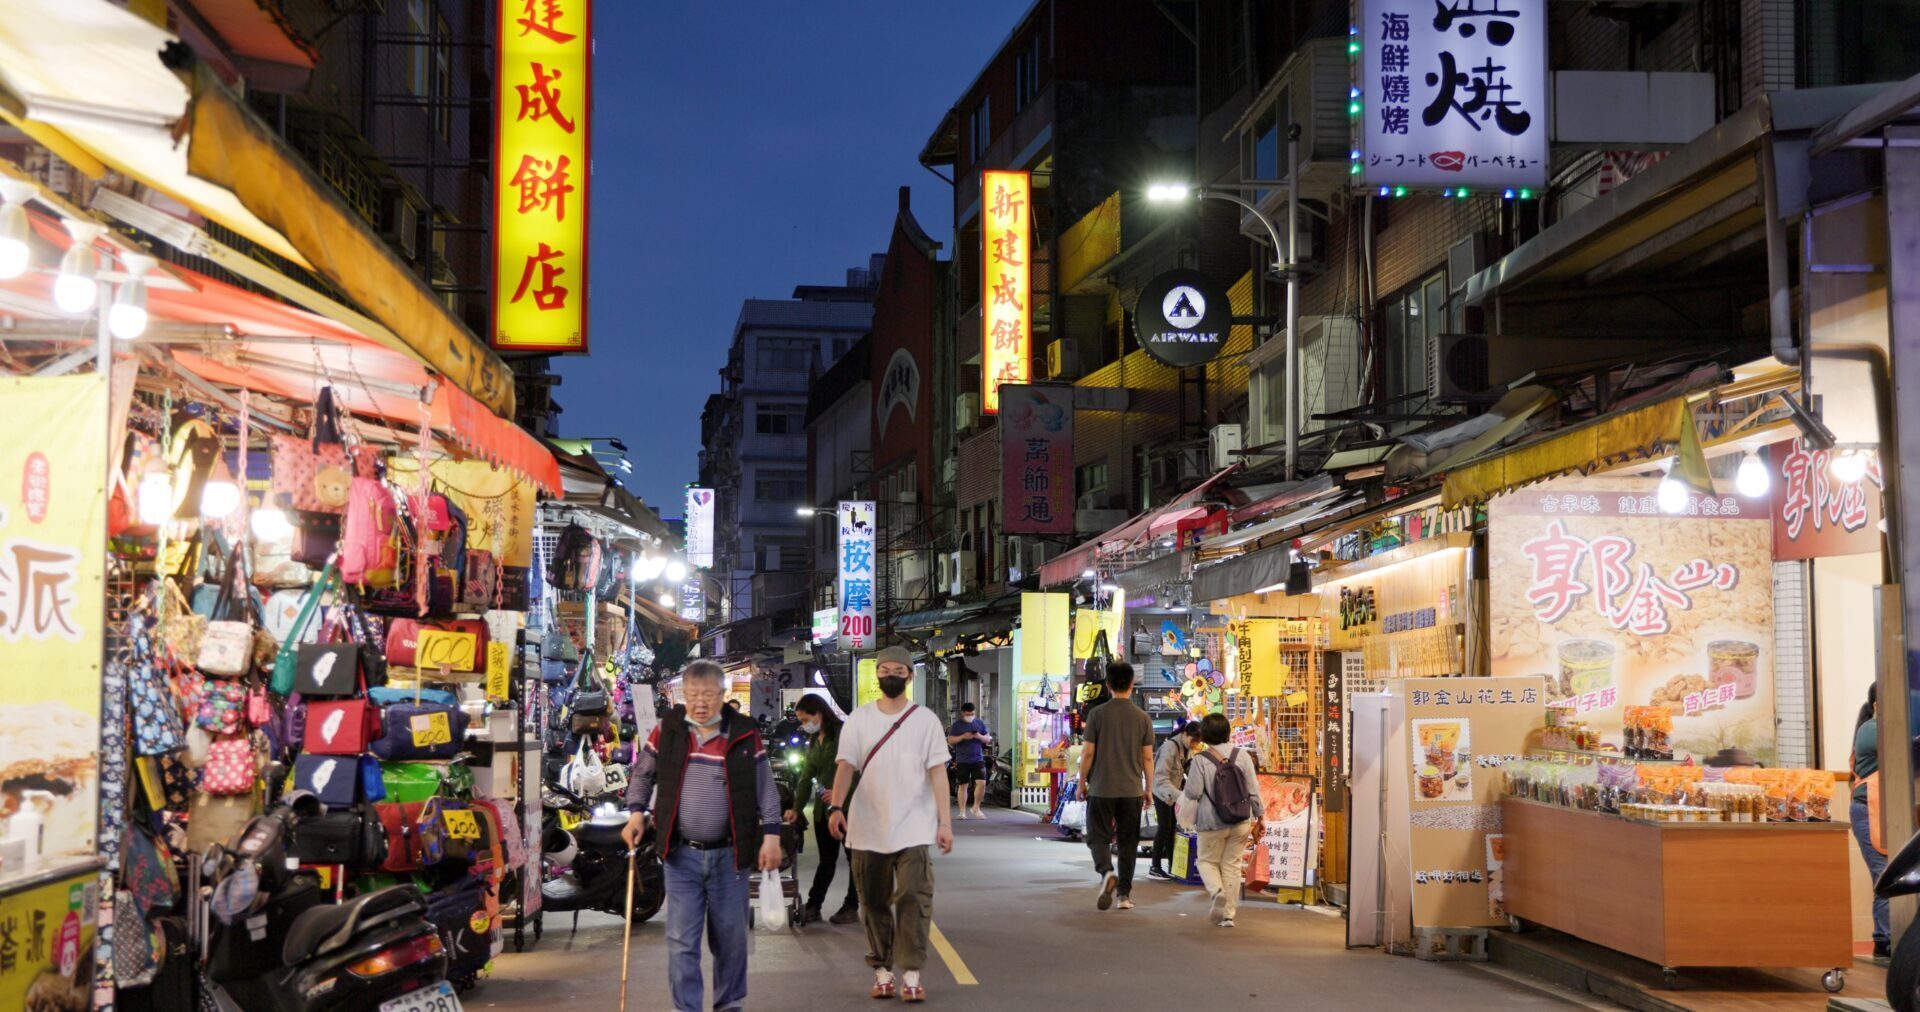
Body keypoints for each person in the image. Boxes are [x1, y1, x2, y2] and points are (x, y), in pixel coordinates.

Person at [622, 660, 784, 1012]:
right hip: (681, 857)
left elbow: (765, 789)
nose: (700, 702)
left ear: (723, 695)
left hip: (731, 858)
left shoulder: (744, 733)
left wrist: (772, 835)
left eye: (708, 694)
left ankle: (729, 1006)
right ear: (683, 694)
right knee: (681, 942)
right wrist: (637, 812)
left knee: (731, 941)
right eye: (693, 694)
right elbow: (642, 774)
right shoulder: (669, 730)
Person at [826, 646, 954, 1003]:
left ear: (910, 676)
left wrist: (945, 822)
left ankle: (911, 974)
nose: (892, 675)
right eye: (886, 670)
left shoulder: (926, 720)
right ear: (877, 675)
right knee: (874, 903)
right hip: (867, 826)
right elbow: (846, 767)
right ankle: (882, 970)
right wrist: (836, 807)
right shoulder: (859, 719)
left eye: (899, 670)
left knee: (914, 894)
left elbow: (938, 773)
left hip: (914, 826)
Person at [1079, 661, 1155, 911]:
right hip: (1131, 790)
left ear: (1108, 684)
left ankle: (1106, 872)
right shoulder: (1143, 718)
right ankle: (1123, 895)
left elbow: (1088, 753)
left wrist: (1082, 782)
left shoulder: (1097, 714)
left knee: (1097, 837)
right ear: (1132, 685)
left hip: (1101, 788)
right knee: (1127, 843)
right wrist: (1148, 789)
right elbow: (1147, 758)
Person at [1182, 712, 1264, 927]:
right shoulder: (1242, 756)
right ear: (1227, 732)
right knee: (1232, 866)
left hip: (1211, 821)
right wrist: (1260, 816)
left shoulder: (1200, 760)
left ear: (1205, 734)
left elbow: (1192, 792)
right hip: (1240, 820)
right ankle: (1228, 915)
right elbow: (1253, 790)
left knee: (1206, 861)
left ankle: (1217, 891)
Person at [786, 693, 860, 926]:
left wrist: (841, 793)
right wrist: (796, 808)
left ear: (819, 713)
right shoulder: (815, 740)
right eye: (801, 720)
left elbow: (856, 768)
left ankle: (852, 905)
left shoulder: (843, 734)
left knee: (854, 859)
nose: (804, 724)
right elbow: (807, 777)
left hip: (849, 808)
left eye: (806, 718)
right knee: (826, 860)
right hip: (823, 811)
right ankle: (814, 905)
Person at [1851, 684, 1889, 959]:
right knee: (1886, 875)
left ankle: (1886, 940)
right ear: (1877, 704)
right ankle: (1887, 941)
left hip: (1889, 809)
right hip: (1868, 809)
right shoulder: (1873, 730)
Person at [1149, 722, 1204, 879]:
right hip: (1162, 793)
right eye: (1193, 741)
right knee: (1164, 828)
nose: (1195, 745)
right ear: (1185, 734)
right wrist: (1180, 796)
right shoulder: (1170, 748)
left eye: (1197, 743)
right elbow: (1160, 779)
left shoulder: (1187, 748)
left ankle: (1173, 865)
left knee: (1172, 828)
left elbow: (1187, 770)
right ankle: (1155, 867)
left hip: (1173, 794)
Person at [947, 702, 992, 819]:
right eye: (968, 714)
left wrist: (979, 737)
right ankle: (962, 812)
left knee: (982, 783)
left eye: (972, 714)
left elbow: (987, 739)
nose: (970, 716)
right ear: (963, 713)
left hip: (978, 758)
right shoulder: (957, 725)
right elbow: (950, 740)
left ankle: (976, 807)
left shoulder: (979, 723)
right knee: (963, 785)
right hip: (962, 760)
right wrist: (962, 737)